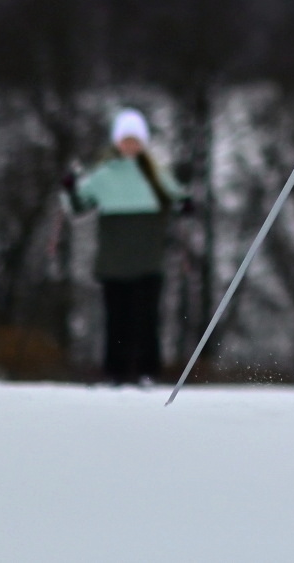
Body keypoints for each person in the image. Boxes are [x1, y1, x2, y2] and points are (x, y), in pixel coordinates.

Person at [64, 109, 188, 384]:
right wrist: (70, 188)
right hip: (113, 263)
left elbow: (179, 199)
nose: (130, 146)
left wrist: (185, 202)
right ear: (117, 142)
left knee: (146, 319)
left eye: (135, 140)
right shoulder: (104, 175)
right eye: (125, 140)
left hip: (148, 261)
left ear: (142, 142)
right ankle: (115, 373)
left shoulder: (156, 173)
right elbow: (78, 206)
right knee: (116, 320)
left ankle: (147, 372)